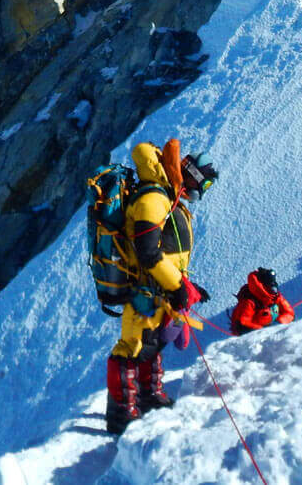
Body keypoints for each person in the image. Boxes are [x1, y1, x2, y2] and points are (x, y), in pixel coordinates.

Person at [106, 141, 217, 434]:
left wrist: (185, 285)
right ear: (190, 173)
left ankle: (148, 397)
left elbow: (168, 253)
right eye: (203, 182)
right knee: (132, 346)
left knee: (151, 343)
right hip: (144, 288)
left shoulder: (167, 198)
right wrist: (178, 284)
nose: (203, 190)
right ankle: (121, 413)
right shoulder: (154, 198)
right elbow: (148, 251)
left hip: (158, 288)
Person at [230, 268, 295, 335]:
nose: (273, 289)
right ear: (263, 285)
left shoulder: (275, 297)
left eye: (273, 285)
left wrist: (279, 322)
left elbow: (289, 313)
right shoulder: (249, 302)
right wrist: (264, 331)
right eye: (270, 285)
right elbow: (243, 324)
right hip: (254, 339)